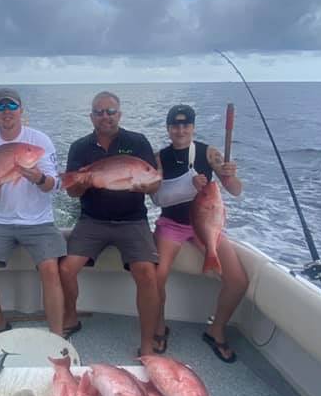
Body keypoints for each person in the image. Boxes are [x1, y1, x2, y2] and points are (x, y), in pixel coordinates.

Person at [59, 91, 161, 356]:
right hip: (93, 220)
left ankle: (147, 345)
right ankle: (71, 317)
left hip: (132, 221)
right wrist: (80, 184)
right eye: (99, 112)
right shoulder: (80, 147)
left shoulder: (137, 142)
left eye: (110, 111)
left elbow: (155, 183)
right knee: (67, 269)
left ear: (120, 113)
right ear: (91, 116)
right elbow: (72, 192)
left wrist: (144, 185)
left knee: (148, 274)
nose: (105, 116)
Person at [0, 88, 66, 343]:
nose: (6, 112)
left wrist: (39, 178)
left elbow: (55, 185)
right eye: (0, 108)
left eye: (11, 106)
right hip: (0, 221)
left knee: (50, 270)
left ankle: (56, 335)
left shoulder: (39, 142)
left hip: (39, 221)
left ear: (21, 111)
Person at [154, 104, 248, 363]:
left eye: (186, 125)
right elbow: (157, 197)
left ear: (193, 127)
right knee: (156, 277)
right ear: (168, 129)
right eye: (175, 125)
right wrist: (186, 186)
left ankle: (215, 330)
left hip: (206, 225)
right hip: (171, 224)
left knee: (238, 280)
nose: (180, 130)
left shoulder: (209, 154)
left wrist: (230, 175)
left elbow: (235, 191)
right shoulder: (160, 157)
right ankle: (160, 327)